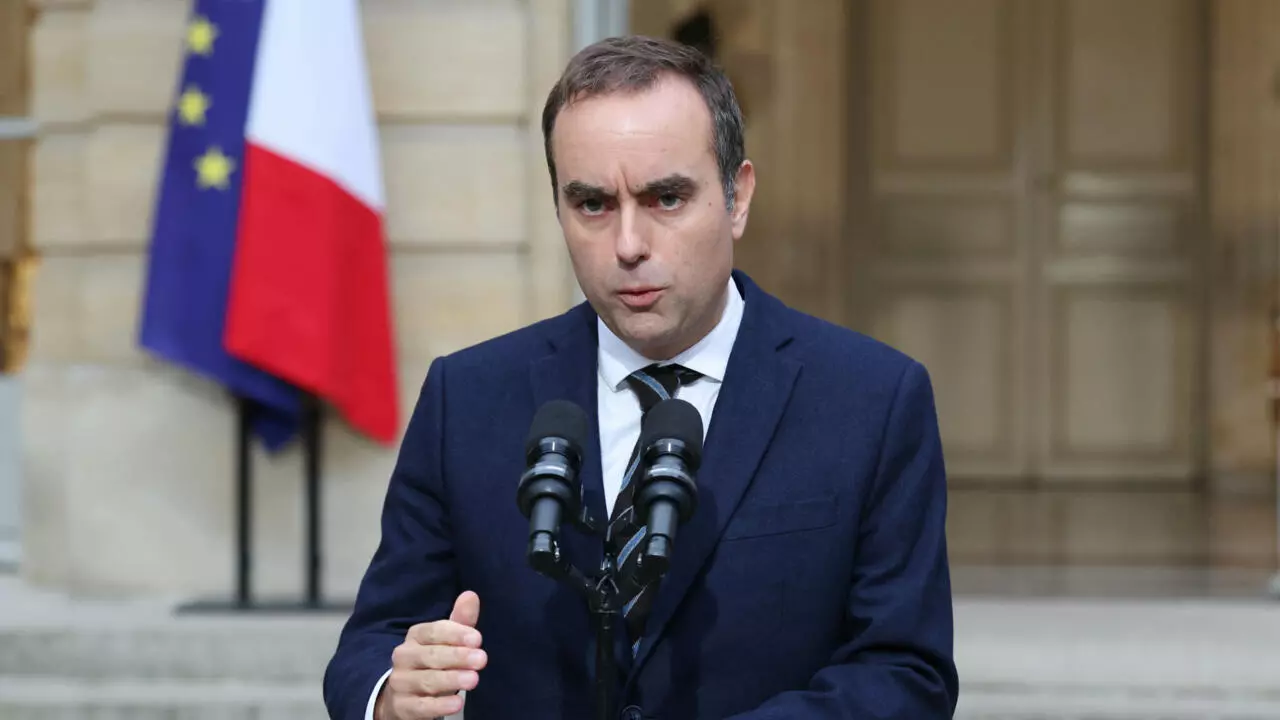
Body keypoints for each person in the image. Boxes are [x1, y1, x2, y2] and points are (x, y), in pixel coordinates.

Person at [324, 34, 958, 720]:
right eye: (593, 204)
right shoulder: (468, 397)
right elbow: (374, 643)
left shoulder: (871, 400)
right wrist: (392, 692)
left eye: (666, 198)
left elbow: (905, 674)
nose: (628, 245)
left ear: (738, 197)